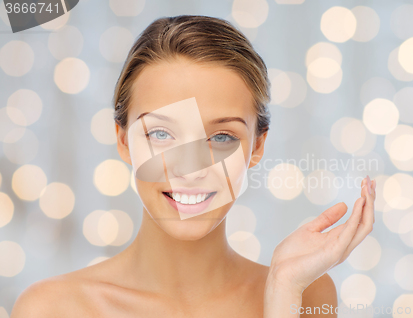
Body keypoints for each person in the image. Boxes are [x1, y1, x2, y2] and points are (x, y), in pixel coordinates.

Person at [11, 15, 376, 318]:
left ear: (257, 145)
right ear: (124, 141)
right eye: (161, 133)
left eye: (221, 138)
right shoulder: (53, 308)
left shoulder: (306, 293)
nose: (190, 168)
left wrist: (282, 294)